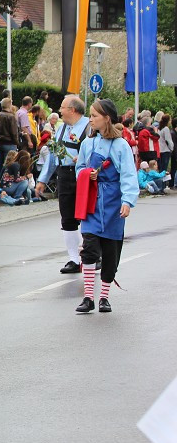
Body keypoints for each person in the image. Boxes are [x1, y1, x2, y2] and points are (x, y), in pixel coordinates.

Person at [75, 99, 139, 314]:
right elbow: (80, 169)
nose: (90, 119)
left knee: (111, 253)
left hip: (113, 202)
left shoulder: (121, 146)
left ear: (107, 118)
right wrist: (86, 174)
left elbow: (129, 175)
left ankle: (104, 297)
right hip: (91, 201)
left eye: (94, 115)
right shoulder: (87, 144)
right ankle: (87, 297)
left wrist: (127, 201)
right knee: (90, 248)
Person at [36, 96, 90, 274]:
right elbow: (53, 157)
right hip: (65, 175)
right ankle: (74, 259)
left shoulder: (90, 127)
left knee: (88, 216)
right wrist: (43, 180)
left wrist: (83, 160)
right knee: (67, 216)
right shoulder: (61, 129)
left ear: (72, 110)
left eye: (62, 107)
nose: (60, 110)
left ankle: (93, 255)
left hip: (84, 175)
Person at [0, 98, 19, 183]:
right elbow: (14, 132)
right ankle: (5, 182)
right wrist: (17, 143)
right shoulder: (11, 117)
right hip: (9, 143)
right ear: (10, 105)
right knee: (9, 164)